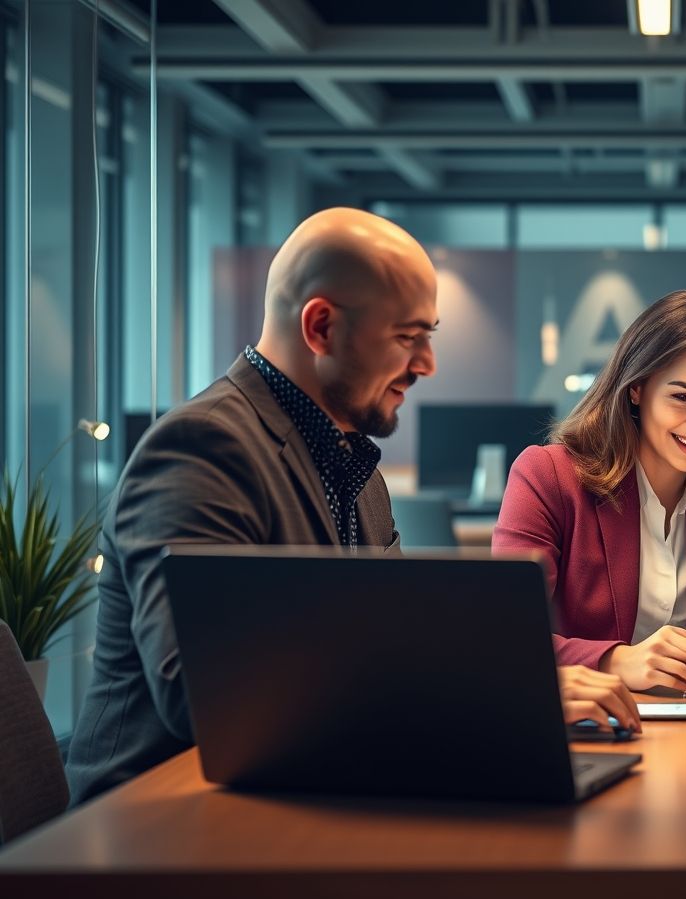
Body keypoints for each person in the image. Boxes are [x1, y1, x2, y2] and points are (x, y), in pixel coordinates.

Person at [66, 208, 638, 805]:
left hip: (310, 787)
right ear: (321, 327)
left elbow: (392, 648)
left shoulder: (354, 463)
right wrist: (499, 699)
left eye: (429, 336)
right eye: (408, 337)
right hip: (162, 818)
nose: (427, 364)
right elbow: (206, 697)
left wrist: (510, 689)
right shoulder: (202, 449)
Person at [493, 289, 686, 694]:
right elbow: (506, 635)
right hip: (586, 722)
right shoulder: (547, 476)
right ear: (637, 387)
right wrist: (616, 661)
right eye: (684, 397)